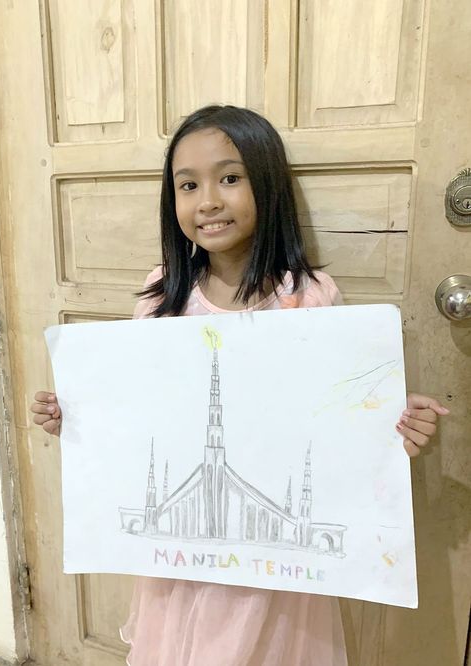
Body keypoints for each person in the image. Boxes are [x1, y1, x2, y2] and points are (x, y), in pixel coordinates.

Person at [31, 105, 449, 665]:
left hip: (279, 574)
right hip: (181, 562)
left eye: (230, 178)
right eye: (188, 185)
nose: (207, 200)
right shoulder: (161, 300)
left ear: (267, 184)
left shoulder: (310, 296)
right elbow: (140, 415)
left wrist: (391, 425)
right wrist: (79, 418)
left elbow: (336, 422)